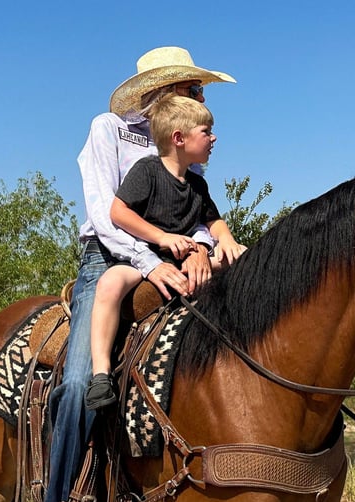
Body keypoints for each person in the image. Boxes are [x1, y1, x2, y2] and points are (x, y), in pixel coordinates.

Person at [34, 47, 236, 502]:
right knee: (79, 383)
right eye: (194, 89)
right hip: (110, 262)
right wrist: (151, 262)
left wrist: (202, 252)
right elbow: (105, 215)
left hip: (171, 259)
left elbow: (195, 218)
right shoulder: (107, 129)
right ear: (165, 90)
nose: (200, 98)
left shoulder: (180, 152)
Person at [86, 94, 245, 409]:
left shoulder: (197, 184)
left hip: (178, 261)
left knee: (241, 261)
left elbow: (213, 220)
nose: (214, 138)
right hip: (141, 256)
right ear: (179, 139)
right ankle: (101, 373)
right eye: (206, 131)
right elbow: (117, 212)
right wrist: (162, 237)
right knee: (110, 283)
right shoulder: (147, 170)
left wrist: (227, 240)